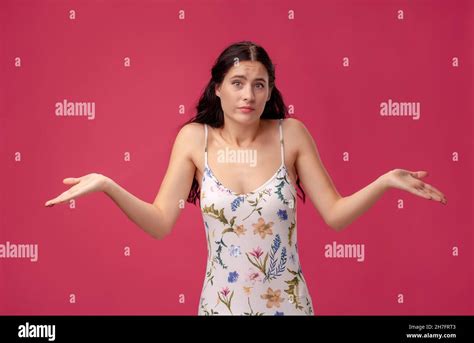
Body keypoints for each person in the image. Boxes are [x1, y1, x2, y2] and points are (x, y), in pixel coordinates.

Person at [44, 40, 447, 315]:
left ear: (270, 90)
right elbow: (160, 222)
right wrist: (107, 185)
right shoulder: (193, 140)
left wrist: (384, 181)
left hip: (288, 305)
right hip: (220, 306)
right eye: (237, 83)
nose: (248, 96)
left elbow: (336, 214)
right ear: (217, 87)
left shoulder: (292, 134)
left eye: (259, 85)